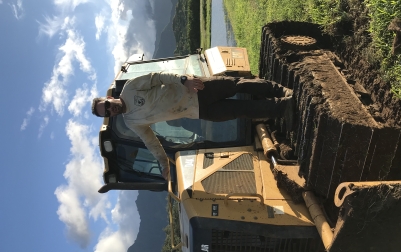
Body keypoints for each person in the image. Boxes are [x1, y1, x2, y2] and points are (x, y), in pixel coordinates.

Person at [91, 72, 294, 179]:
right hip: (198, 112)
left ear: (109, 98)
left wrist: (184, 79)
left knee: (237, 84)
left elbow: (158, 77)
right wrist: (163, 164)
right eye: (106, 112)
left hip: (196, 89)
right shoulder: (132, 122)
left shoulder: (129, 88)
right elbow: (150, 141)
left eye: (107, 105)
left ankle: (280, 91)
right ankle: (282, 107)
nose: (110, 110)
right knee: (241, 110)